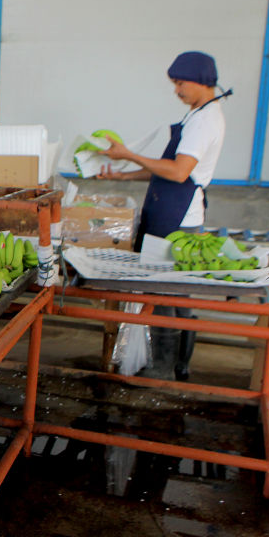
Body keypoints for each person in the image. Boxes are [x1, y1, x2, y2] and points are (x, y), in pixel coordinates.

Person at [99, 50, 231, 380]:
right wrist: (123, 175)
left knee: (168, 297)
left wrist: (128, 153)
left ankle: (167, 371)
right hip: (169, 210)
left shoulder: (205, 120)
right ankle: (171, 366)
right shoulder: (196, 115)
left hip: (180, 219)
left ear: (202, 80)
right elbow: (165, 170)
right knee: (166, 294)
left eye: (180, 83)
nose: (177, 90)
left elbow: (177, 172)